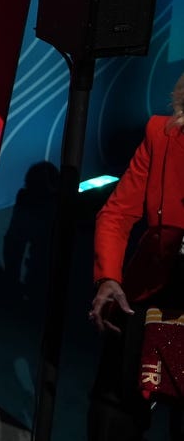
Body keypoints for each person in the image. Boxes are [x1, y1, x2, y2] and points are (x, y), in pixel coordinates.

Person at [88, 71, 184, 439]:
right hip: (153, 286)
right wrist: (108, 277)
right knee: (114, 403)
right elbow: (116, 214)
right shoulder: (162, 135)